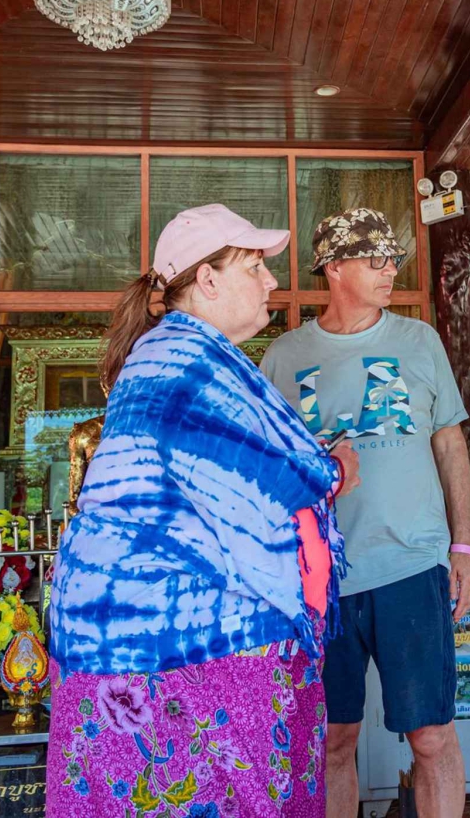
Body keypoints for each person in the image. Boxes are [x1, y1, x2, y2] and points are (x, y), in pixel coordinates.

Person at [48, 203, 362, 818]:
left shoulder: (167, 354)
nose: (273, 281)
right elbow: (279, 480)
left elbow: (224, 474)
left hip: (120, 641)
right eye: (256, 267)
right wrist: (338, 466)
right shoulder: (192, 361)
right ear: (208, 281)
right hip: (188, 647)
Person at [260, 207, 470, 818]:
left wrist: (463, 547)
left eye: (394, 260)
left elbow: (449, 443)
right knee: (332, 742)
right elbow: (270, 470)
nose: (390, 271)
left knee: (431, 736)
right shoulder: (283, 356)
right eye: (375, 260)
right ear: (333, 268)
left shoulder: (419, 340)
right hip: (320, 580)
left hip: (411, 563)